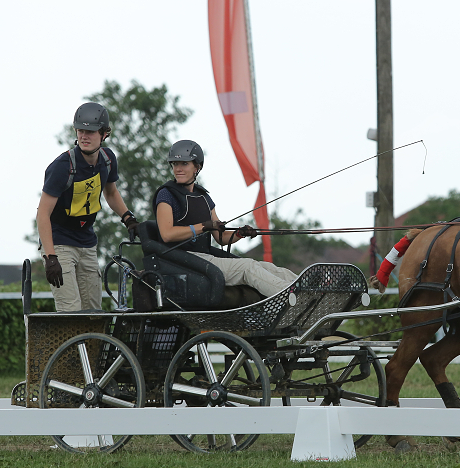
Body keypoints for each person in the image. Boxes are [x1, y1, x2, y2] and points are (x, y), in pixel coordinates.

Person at [153, 140, 297, 298]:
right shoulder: (167, 194)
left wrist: (239, 233)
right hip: (181, 261)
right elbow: (167, 234)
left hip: (204, 258)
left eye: (184, 164)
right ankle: (291, 295)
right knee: (247, 267)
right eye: (174, 164)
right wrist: (203, 226)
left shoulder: (204, 197)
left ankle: (307, 286)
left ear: (197, 167)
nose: (178, 169)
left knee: (262, 266)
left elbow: (220, 238)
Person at [36, 102, 139, 311]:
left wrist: (128, 218)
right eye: (80, 130)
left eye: (90, 131)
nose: (84, 136)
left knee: (94, 311)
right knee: (71, 311)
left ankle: (92, 345)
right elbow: (42, 214)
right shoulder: (62, 167)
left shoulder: (108, 160)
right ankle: (69, 345)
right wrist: (50, 257)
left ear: (104, 134)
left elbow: (110, 192)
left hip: (87, 242)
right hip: (60, 243)